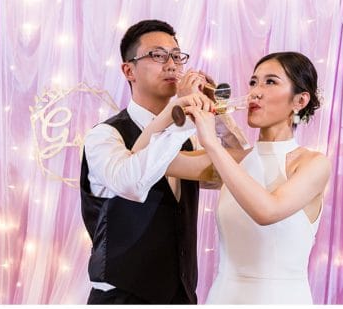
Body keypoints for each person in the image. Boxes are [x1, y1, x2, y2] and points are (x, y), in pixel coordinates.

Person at [166, 51, 330, 304]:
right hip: (222, 297)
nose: (255, 92)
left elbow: (267, 211)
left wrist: (211, 142)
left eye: (270, 82)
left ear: (300, 100)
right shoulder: (235, 158)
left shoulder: (313, 164)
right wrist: (178, 107)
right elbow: (152, 162)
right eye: (253, 82)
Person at [79, 20, 220, 304]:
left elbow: (223, 175)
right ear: (128, 70)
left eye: (177, 56)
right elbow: (130, 183)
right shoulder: (105, 136)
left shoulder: (187, 136)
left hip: (181, 295)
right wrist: (176, 113)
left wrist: (218, 109)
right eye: (157, 55)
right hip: (122, 297)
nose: (172, 65)